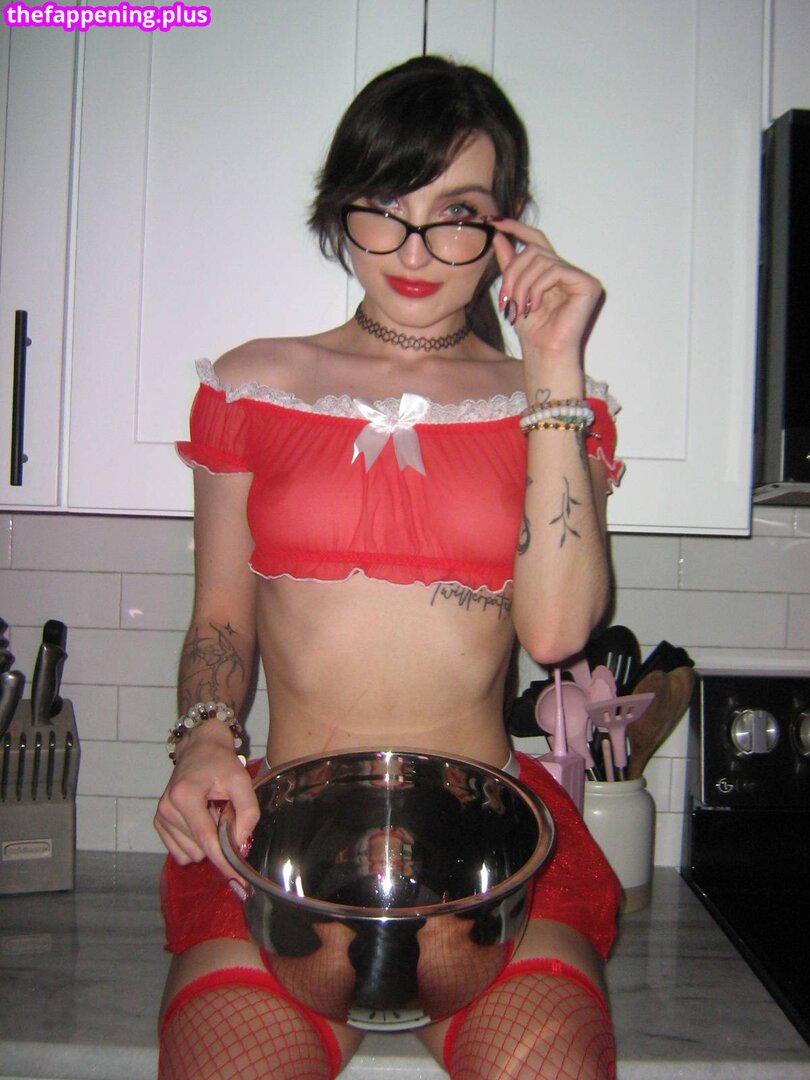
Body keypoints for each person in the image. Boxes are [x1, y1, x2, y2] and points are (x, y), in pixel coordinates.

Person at [155, 54, 624, 1080]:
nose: (415, 251)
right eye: (386, 208)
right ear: (341, 207)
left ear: (506, 227)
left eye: (456, 214)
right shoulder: (251, 386)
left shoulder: (551, 402)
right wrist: (204, 739)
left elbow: (556, 632)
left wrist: (553, 369)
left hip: (493, 858)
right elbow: (221, 623)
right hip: (279, 850)